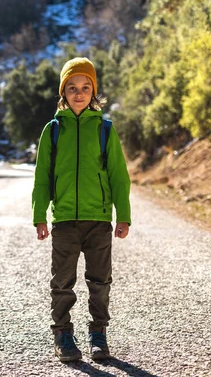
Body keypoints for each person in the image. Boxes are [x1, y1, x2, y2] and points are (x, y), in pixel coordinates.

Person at [31, 57, 131, 362]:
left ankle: (98, 333)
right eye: (72, 87)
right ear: (63, 92)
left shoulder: (104, 128)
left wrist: (123, 214)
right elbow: (42, 174)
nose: (79, 92)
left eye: (85, 87)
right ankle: (63, 333)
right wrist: (39, 215)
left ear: (93, 92)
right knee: (62, 282)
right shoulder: (53, 130)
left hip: (98, 219)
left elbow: (117, 173)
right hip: (64, 220)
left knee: (100, 281)